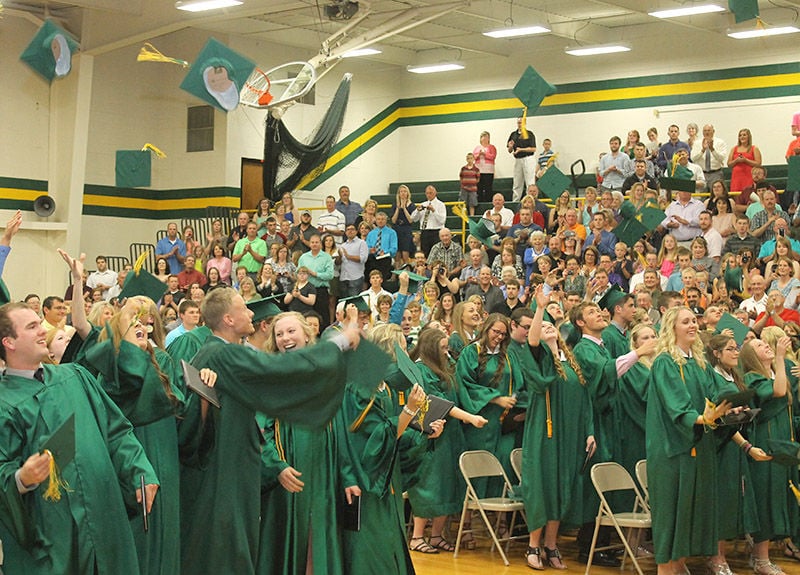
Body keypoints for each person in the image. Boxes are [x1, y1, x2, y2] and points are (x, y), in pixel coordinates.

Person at [180, 288, 360, 574]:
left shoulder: (216, 353)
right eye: (244, 308)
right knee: (224, 557)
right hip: (224, 476)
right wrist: (339, 341)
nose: (252, 313)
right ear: (228, 318)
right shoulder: (220, 354)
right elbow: (274, 369)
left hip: (229, 473)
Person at [0, 301, 159, 574]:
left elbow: (116, 431)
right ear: (9, 342)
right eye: (32, 326)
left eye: (40, 323)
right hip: (53, 536)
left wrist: (139, 470)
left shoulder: (75, 375)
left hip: (103, 515)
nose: (42, 330)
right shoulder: (4, 402)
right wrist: (20, 479)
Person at [336, 322, 436, 574]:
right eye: (402, 347)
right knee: (372, 546)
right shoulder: (359, 387)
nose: (407, 355)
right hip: (366, 478)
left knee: (390, 538)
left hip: (387, 478)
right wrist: (411, 412)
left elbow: (396, 435)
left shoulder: (384, 388)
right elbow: (376, 436)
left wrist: (424, 430)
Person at [258, 312, 346, 575]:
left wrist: (347, 474)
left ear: (307, 335)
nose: (285, 338)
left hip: (323, 470)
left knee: (318, 538)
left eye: (291, 331)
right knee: (291, 539)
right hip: (289, 470)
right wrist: (277, 466)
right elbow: (259, 430)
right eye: (279, 334)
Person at [646, 307, 731, 575]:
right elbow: (677, 406)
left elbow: (714, 396)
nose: (693, 325)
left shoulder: (698, 363)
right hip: (673, 451)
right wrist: (704, 418)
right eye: (686, 322)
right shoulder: (664, 363)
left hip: (696, 446)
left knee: (688, 517)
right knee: (671, 516)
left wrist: (731, 407)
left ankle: (677, 568)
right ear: (672, 328)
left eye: (694, 320)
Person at [522, 290, 595, 570]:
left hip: (571, 436)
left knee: (562, 489)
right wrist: (540, 309)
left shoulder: (572, 362)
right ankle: (533, 544)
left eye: (553, 325)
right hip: (545, 434)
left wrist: (589, 431)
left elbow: (585, 401)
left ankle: (551, 545)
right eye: (544, 327)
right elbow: (532, 339)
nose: (548, 328)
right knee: (543, 488)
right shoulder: (540, 359)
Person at [407, 327, 488, 554]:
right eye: (442, 348)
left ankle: (436, 535)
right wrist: (471, 418)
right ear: (432, 348)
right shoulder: (421, 370)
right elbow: (438, 402)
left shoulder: (447, 368)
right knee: (430, 485)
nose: (447, 351)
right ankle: (417, 537)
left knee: (448, 485)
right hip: (432, 436)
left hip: (451, 435)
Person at [705, 334, 768, 575]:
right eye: (730, 349)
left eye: (737, 348)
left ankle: (722, 556)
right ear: (717, 353)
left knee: (733, 503)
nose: (735, 352)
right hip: (721, 447)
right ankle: (716, 557)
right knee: (722, 503)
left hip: (735, 445)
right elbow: (715, 416)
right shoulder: (713, 378)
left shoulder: (735, 377)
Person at [741, 335, 798, 575]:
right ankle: (761, 559)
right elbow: (778, 391)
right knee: (765, 499)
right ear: (751, 356)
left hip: (783, 442)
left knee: (779, 496)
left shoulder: (775, 374)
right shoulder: (753, 378)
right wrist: (780, 357)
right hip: (764, 442)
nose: (765, 344)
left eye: (764, 343)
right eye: (758, 345)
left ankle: (763, 555)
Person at [297, 234, 334, 327]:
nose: (314, 244)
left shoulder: (326, 257)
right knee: (306, 317)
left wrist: (315, 274)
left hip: (320, 290)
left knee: (323, 316)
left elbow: (330, 275)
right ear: (309, 244)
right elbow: (297, 272)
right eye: (312, 242)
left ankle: (323, 337)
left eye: (317, 242)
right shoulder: (303, 257)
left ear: (320, 244)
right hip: (306, 290)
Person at [410, 185, 447, 257]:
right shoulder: (423, 204)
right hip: (425, 232)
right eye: (427, 193)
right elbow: (413, 219)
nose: (429, 195)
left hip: (436, 232)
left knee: (437, 254)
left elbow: (442, 221)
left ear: (435, 193)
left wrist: (433, 211)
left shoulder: (441, 205)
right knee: (425, 254)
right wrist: (417, 210)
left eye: (431, 193)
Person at [507, 116, 537, 201]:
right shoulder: (513, 135)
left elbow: (533, 148)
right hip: (518, 160)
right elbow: (510, 150)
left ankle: (531, 200)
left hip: (528, 159)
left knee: (530, 181)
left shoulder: (530, 134)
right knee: (517, 182)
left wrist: (521, 150)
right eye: (518, 122)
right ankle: (515, 201)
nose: (520, 124)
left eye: (521, 122)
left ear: (525, 123)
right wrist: (510, 146)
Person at [365, 212, 397, 282]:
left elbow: (394, 248)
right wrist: (370, 250)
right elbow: (366, 247)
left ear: (386, 220)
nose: (380, 221)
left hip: (385, 259)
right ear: (375, 220)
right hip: (372, 259)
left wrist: (385, 252)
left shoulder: (392, 233)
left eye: (382, 219)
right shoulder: (371, 233)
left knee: (382, 280)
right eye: (378, 219)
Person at [390, 184, 415, 268]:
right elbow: (393, 220)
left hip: (406, 230)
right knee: (397, 254)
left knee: (405, 253)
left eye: (405, 191)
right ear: (398, 194)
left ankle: (407, 272)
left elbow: (410, 220)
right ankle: (396, 274)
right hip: (396, 229)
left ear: (408, 193)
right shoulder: (395, 205)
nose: (403, 193)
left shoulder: (411, 205)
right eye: (401, 191)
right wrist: (398, 208)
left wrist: (404, 208)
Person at [473, 131, 497, 202]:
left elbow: (493, 156)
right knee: (479, 188)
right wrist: (479, 155)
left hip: (488, 171)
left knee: (488, 187)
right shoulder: (477, 148)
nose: (484, 138)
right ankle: (480, 201)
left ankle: (488, 201)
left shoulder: (492, 147)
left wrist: (485, 154)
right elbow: (473, 157)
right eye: (482, 137)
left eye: (486, 137)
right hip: (479, 170)